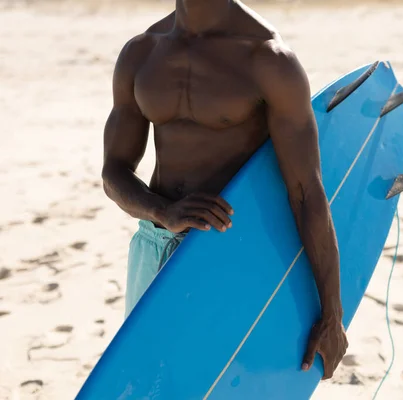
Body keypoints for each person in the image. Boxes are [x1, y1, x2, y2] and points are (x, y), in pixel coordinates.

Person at [101, 0, 347, 379]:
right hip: (152, 244)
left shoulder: (268, 59)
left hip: (227, 250)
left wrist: (332, 313)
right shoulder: (142, 52)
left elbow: (306, 192)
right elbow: (113, 173)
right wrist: (161, 212)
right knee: (151, 379)